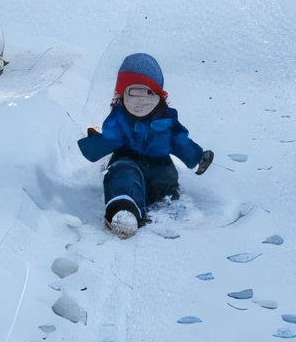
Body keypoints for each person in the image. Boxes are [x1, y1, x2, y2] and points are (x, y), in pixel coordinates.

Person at [77, 52, 213, 236]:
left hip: (156, 170)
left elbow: (179, 141)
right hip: (143, 165)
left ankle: (142, 203)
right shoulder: (129, 118)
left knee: (134, 177)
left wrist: (197, 159)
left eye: (146, 92)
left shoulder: (159, 119)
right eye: (134, 93)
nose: (139, 101)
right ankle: (125, 208)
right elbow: (110, 140)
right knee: (123, 174)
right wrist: (93, 142)